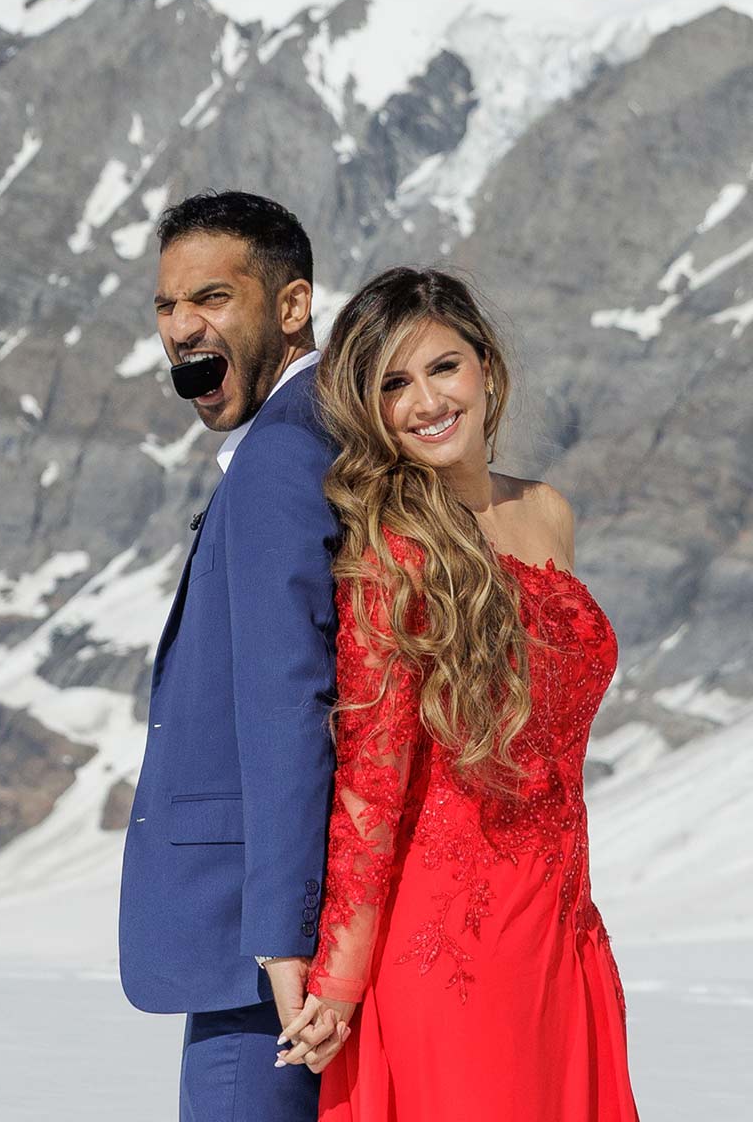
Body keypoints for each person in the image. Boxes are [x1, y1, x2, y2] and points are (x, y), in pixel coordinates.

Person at [278, 267, 640, 1121]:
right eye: (393, 384)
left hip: (565, 932)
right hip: (453, 955)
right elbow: (371, 783)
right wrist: (338, 981)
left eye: (443, 367)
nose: (426, 401)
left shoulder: (550, 513)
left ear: (486, 367)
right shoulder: (392, 553)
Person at [118, 190, 347, 1122]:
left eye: (210, 298)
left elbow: (291, 705)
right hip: (271, 941)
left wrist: (282, 939)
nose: (182, 328)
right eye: (166, 307)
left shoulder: (281, 460)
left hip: (257, 960)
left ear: (291, 307)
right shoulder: (314, 436)